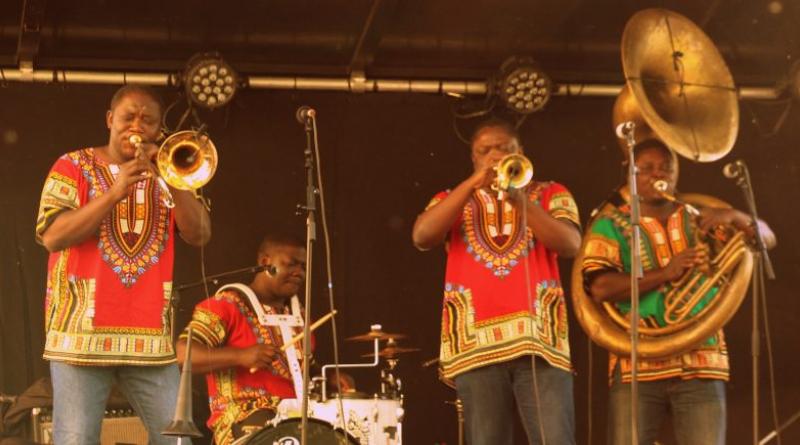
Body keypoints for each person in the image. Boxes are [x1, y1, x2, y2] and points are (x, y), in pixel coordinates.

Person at [35, 84, 212, 444]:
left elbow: (200, 234)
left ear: (159, 129)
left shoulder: (170, 174)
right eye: (128, 116)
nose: (136, 125)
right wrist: (115, 192)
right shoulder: (72, 165)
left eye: (148, 120)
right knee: (75, 439)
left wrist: (171, 178)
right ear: (109, 119)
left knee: (176, 439)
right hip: (79, 338)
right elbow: (52, 235)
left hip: (149, 339)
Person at [581, 139, 776, 445]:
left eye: (666, 168)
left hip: (701, 361)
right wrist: (665, 273)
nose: (658, 174)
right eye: (646, 168)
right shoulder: (611, 224)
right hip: (637, 366)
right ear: (628, 172)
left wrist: (734, 217)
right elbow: (600, 287)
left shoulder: (698, 217)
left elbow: (768, 238)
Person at [412, 118, 582, 445]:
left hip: (540, 344)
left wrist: (521, 201)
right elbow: (422, 235)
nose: (494, 156)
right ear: (473, 159)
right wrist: (473, 184)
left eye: (504, 149)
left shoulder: (550, 193)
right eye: (484, 151)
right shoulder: (451, 198)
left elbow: (570, 244)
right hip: (477, 346)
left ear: (521, 153)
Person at [176, 234, 310, 445]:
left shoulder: (300, 314)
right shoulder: (225, 305)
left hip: (299, 417)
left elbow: (298, 366)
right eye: (291, 264)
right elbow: (184, 354)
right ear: (266, 263)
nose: (299, 273)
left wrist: (329, 380)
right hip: (242, 418)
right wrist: (241, 356)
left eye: (303, 266)